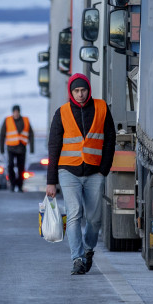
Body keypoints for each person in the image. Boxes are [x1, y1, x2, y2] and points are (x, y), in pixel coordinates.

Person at [46, 73, 116, 275]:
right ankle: (77, 259)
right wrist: (51, 181)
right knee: (75, 214)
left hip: (95, 172)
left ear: (88, 90)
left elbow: (110, 140)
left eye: (83, 90)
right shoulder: (62, 113)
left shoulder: (102, 108)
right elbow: (54, 148)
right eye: (76, 91)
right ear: (71, 92)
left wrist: (104, 170)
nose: (80, 94)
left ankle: (88, 250)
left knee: (94, 219)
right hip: (68, 171)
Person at [0, 105, 34, 192]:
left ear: (19, 112)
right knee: (10, 165)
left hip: (22, 148)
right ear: (12, 112)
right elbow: (2, 134)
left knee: (21, 167)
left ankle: (20, 185)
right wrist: (1, 149)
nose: (16, 114)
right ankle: (13, 183)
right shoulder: (7, 120)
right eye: (14, 112)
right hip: (11, 148)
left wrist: (32, 148)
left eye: (17, 112)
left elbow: (31, 134)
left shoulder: (25, 120)